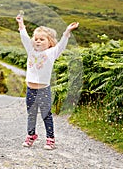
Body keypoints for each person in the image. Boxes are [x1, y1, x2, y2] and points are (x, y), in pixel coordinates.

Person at [16, 13, 79, 150]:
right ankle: (31, 135)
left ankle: (50, 139)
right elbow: (24, 37)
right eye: (36, 39)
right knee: (31, 114)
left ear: (49, 42)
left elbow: (62, 45)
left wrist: (67, 32)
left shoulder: (52, 53)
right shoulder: (30, 50)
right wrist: (21, 24)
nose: (38, 41)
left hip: (43, 89)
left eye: (42, 39)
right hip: (30, 89)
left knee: (46, 114)